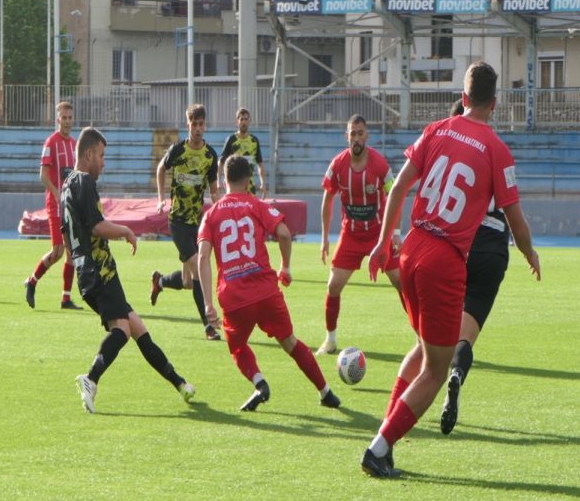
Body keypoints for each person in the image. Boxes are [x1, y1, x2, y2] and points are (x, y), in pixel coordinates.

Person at [360, 62, 541, 478]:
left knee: (425, 350)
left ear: (463, 97)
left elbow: (400, 186)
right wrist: (530, 252)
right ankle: (379, 447)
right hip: (444, 259)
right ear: (495, 103)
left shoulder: (437, 129)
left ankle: (386, 438)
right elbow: (514, 219)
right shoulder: (497, 149)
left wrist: (382, 241)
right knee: (437, 369)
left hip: (411, 249)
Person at [64, 127, 196, 413]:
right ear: (88, 154)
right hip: (100, 271)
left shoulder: (68, 184)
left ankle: (181, 384)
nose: (103, 162)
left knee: (138, 330)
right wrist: (126, 231)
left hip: (88, 270)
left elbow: (72, 232)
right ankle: (90, 378)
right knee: (122, 329)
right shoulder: (85, 181)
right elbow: (97, 226)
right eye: (101, 155)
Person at [197, 155, 340, 412]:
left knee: (237, 346)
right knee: (290, 343)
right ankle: (326, 391)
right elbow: (284, 233)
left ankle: (260, 383)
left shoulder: (212, 214)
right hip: (265, 291)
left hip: (234, 296)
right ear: (249, 180)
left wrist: (208, 304)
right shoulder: (257, 205)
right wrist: (285, 267)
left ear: (223, 179)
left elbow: (204, 257)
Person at [439, 99, 512, 435]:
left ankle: (396, 419)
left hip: (459, 243)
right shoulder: (495, 149)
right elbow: (512, 207)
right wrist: (528, 250)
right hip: (494, 248)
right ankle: (457, 375)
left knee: (434, 336)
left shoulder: (449, 148)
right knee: (465, 337)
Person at [315, 114, 401, 355]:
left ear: (367, 135)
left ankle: (421, 338)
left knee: (401, 283)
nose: (356, 138)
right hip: (351, 236)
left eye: (360, 133)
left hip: (378, 235)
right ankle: (330, 340)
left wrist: (395, 232)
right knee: (333, 287)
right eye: (352, 134)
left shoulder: (380, 165)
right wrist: (324, 238)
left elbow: (395, 194)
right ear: (347, 136)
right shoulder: (337, 164)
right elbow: (327, 198)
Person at [150, 103, 221, 340]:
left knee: (187, 281)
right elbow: (161, 168)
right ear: (187, 124)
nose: (198, 129)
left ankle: (159, 281)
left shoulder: (210, 156)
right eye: (194, 124)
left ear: (205, 125)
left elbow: (213, 189)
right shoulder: (178, 150)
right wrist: (161, 199)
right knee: (199, 270)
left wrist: (219, 209)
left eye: (201, 124)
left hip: (197, 222)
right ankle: (209, 326)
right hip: (178, 222)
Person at [24, 101, 82, 310]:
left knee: (71, 251)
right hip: (56, 204)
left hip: (71, 205)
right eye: (63, 118)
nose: (67, 121)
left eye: (69, 118)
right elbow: (43, 175)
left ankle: (66, 298)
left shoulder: (74, 144)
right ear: (57, 119)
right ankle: (31, 281)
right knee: (57, 251)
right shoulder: (51, 142)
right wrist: (58, 195)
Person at [218, 107, 266, 198]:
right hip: (233, 188)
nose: (243, 122)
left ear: (249, 121)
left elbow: (260, 164)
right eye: (241, 119)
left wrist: (263, 183)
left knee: (250, 212)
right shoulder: (231, 140)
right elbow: (221, 162)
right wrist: (218, 181)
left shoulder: (254, 141)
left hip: (249, 187)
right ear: (237, 121)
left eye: (246, 119)